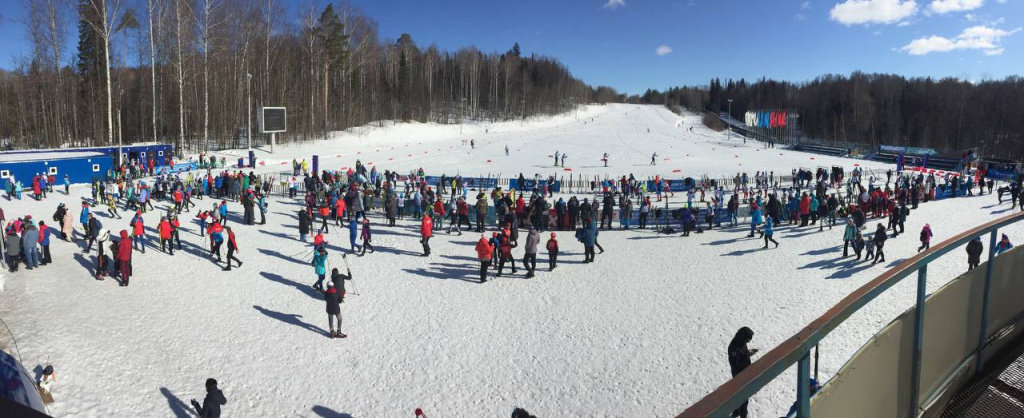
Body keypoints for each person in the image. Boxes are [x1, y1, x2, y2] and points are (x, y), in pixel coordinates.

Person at [728, 327, 757, 418]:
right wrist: (746, 355)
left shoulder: (741, 342)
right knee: (744, 397)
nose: (748, 342)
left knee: (739, 394)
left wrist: (747, 353)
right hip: (739, 375)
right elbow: (735, 364)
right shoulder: (734, 348)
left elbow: (743, 353)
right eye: (747, 339)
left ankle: (736, 411)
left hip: (745, 372)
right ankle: (742, 415)